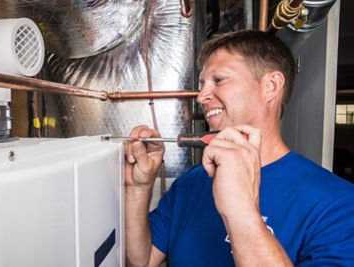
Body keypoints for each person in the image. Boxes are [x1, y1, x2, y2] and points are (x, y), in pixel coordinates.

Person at [124, 30, 354, 266]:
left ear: (271, 86)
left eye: (219, 79)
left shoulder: (340, 205)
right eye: (202, 84)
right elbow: (140, 261)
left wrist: (242, 211)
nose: (201, 96)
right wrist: (138, 188)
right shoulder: (190, 182)